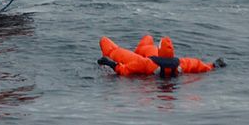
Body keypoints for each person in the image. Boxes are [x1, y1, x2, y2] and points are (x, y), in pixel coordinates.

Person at [97, 35, 226, 77]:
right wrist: (215, 65)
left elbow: (125, 70)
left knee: (105, 42)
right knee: (148, 39)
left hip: (143, 63)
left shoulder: (146, 64)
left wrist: (111, 64)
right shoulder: (181, 64)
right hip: (157, 68)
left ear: (160, 51)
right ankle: (142, 47)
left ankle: (140, 48)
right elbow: (200, 66)